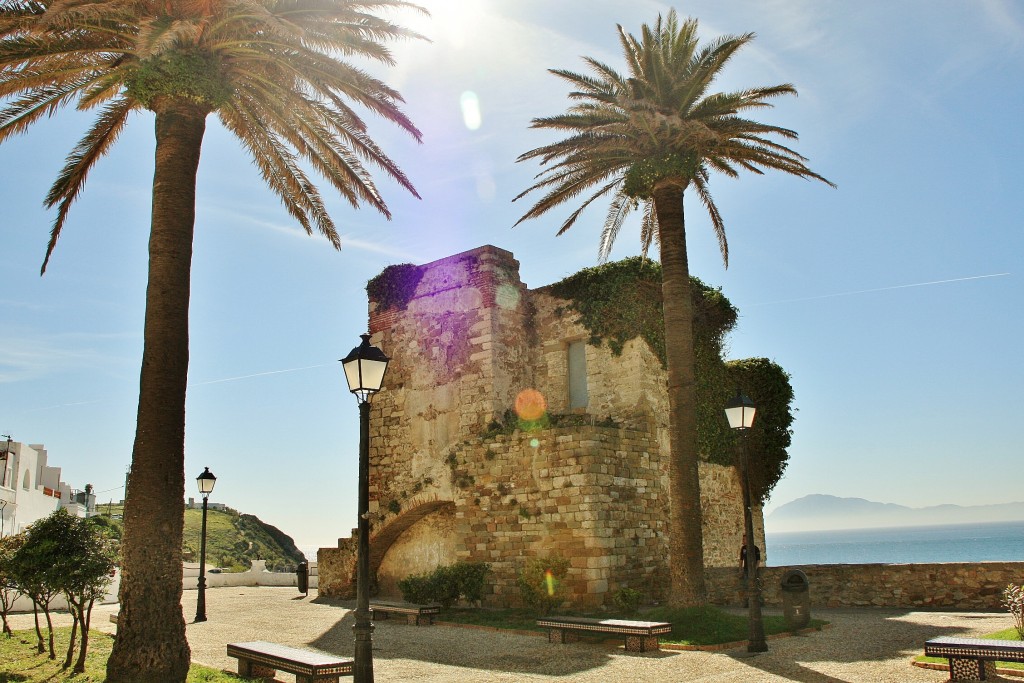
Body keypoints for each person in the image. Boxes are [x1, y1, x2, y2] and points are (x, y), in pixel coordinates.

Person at [739, 533, 761, 608]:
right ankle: (747, 603)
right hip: (746, 570)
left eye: (744, 539)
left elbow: (758, 560)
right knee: (746, 586)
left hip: (754, 571)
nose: (743, 541)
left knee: (755, 586)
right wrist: (740, 569)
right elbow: (741, 560)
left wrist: (755, 569)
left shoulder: (755, 548)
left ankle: (756, 603)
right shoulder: (743, 549)